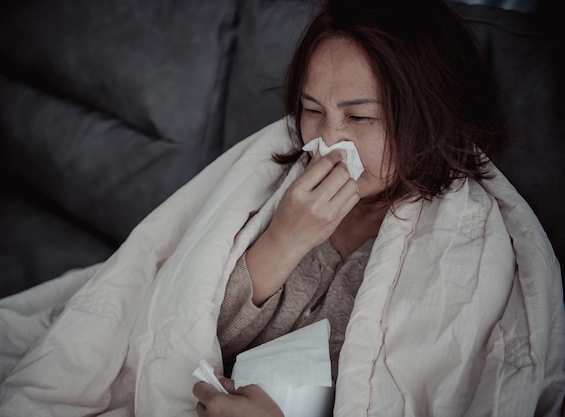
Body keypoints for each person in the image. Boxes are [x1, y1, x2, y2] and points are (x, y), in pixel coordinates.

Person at [193, 0, 562, 415]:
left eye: (361, 117)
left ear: (428, 116)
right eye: (313, 110)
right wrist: (281, 242)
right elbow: (188, 339)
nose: (328, 142)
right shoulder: (276, 184)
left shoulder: (465, 256)